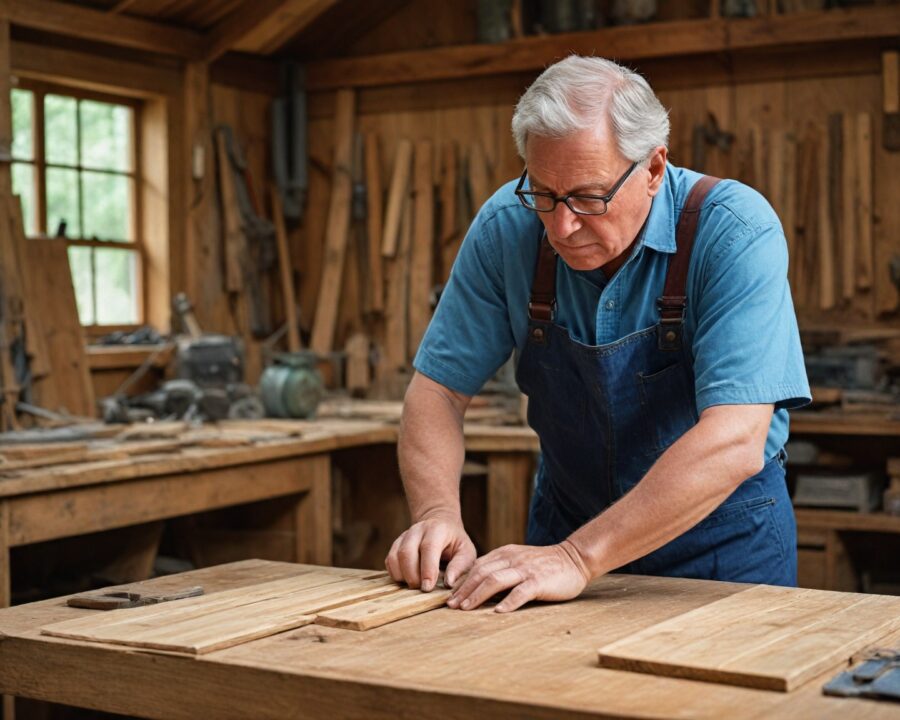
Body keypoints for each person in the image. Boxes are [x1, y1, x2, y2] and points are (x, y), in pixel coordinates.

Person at [385, 55, 811, 613]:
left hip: (720, 546)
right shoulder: (507, 229)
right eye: (543, 193)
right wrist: (436, 514)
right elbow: (437, 391)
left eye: (589, 198)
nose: (561, 226)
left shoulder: (732, 230)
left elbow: (734, 440)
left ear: (654, 168)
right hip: (566, 527)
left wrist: (579, 558)